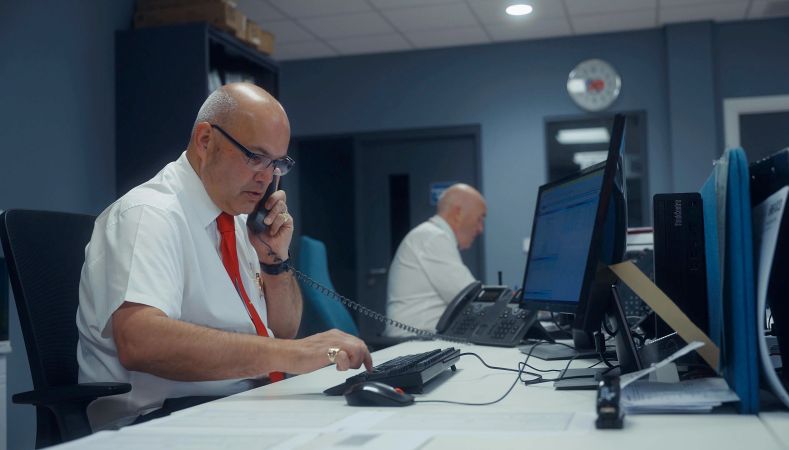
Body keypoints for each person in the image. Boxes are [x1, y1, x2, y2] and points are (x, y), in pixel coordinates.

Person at [77, 83, 372, 430]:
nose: (266, 178)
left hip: (238, 407)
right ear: (205, 141)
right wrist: (293, 354)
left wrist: (274, 262)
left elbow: (283, 328)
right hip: (160, 422)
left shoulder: (236, 219)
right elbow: (140, 342)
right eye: (254, 157)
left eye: (277, 163)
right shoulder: (148, 215)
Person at [384, 184, 486, 337]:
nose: (480, 229)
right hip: (413, 342)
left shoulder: (430, 236)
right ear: (458, 213)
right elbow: (470, 300)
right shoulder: (432, 237)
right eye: (479, 219)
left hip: (425, 341)